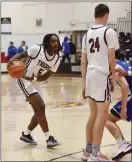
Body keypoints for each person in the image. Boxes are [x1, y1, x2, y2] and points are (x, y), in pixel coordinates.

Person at [8, 34, 62, 148]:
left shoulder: (57, 58)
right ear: (47, 43)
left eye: (57, 41)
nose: (56, 43)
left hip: (35, 82)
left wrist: (34, 78)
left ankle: (26, 135)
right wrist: (12, 60)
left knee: (39, 112)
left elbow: (47, 76)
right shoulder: (37, 49)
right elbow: (22, 54)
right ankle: (49, 138)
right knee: (41, 106)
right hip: (23, 79)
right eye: (53, 41)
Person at [81, 4, 119, 161]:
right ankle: (96, 154)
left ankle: (87, 152)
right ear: (106, 15)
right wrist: (113, 76)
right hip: (102, 75)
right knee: (101, 117)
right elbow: (111, 57)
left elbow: (83, 60)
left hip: (90, 75)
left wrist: (83, 83)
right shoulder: (109, 32)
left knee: (93, 115)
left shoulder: (86, 34)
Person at [105, 59, 132, 161]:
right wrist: (122, 96)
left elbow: (125, 85)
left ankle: (123, 144)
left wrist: (124, 107)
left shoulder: (114, 67)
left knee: (107, 119)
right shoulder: (123, 62)